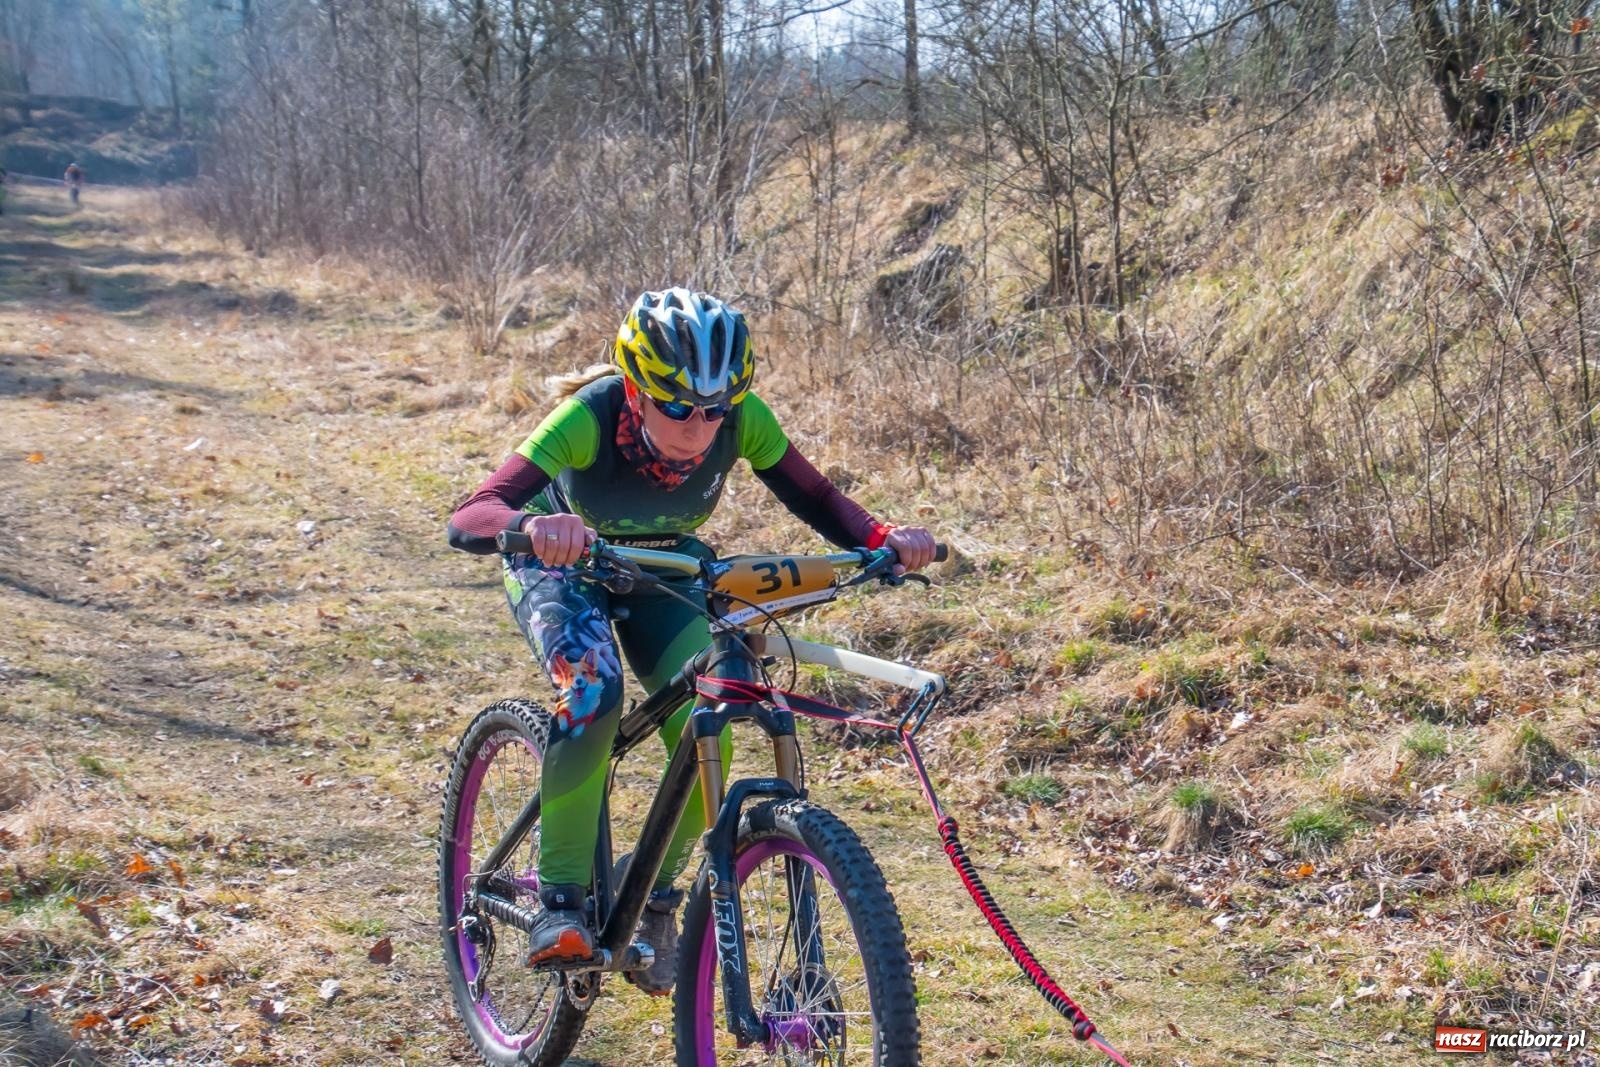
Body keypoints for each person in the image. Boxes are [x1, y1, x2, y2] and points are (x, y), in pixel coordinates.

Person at [447, 288, 936, 992]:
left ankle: (655, 898)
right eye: (677, 405)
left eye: (715, 408)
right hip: (558, 563)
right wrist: (535, 526)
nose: (700, 425)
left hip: (663, 564)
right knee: (592, 692)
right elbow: (473, 513)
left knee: (714, 711)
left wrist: (884, 541)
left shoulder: (742, 422)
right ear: (639, 390)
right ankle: (559, 904)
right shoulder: (591, 415)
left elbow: (819, 499)